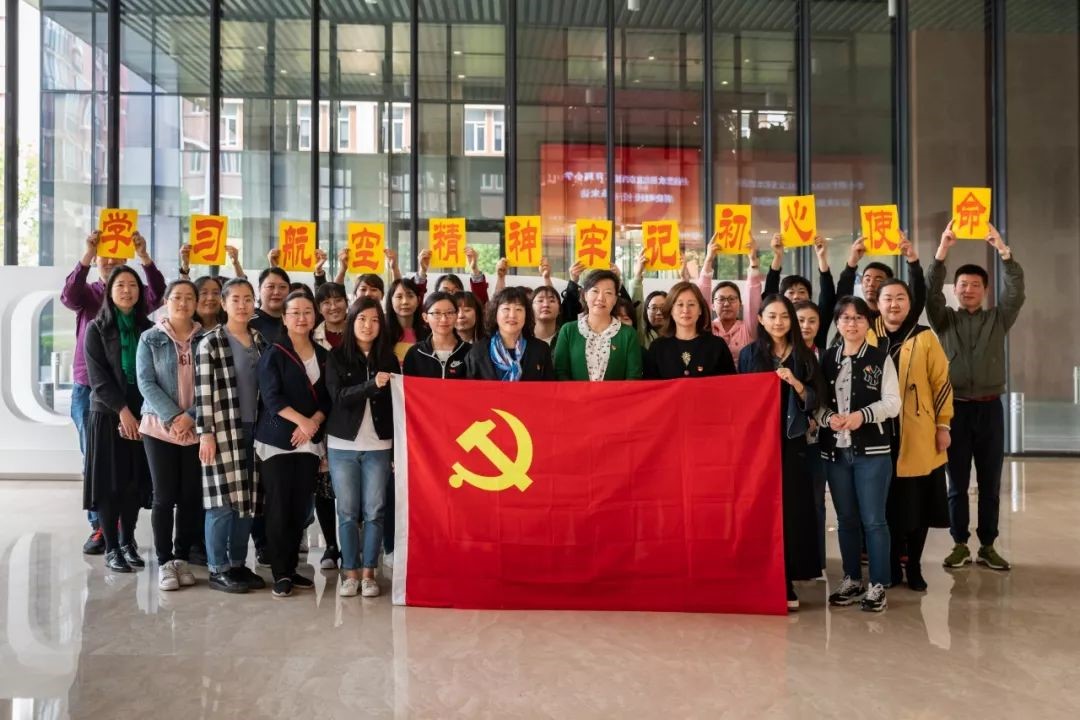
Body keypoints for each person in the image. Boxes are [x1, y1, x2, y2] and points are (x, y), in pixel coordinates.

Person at [927, 221, 1024, 572]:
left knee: (990, 483)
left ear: (985, 290)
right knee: (956, 483)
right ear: (955, 290)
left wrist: (1003, 250)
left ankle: (987, 545)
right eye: (963, 285)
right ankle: (958, 544)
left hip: (990, 410)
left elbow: (1016, 292)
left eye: (975, 285)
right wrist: (942, 251)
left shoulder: (999, 319)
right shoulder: (944, 320)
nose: (968, 290)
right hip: (953, 412)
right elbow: (930, 293)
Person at [62, 229, 165, 555]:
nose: (109, 263)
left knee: (132, 466)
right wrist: (87, 253)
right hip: (90, 388)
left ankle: (124, 533)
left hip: (134, 394)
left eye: (117, 258)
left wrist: (143, 255)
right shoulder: (90, 295)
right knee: (97, 462)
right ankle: (101, 528)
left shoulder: (140, 314)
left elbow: (158, 293)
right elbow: (68, 295)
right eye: (104, 258)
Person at [737, 294, 823, 611]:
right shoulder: (749, 354)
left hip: (793, 443)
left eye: (784, 316)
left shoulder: (804, 355)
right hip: (758, 444)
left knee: (791, 511)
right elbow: (739, 398)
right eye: (771, 316)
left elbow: (816, 398)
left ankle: (786, 579)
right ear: (760, 319)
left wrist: (796, 384)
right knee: (758, 509)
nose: (778, 322)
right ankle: (757, 576)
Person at [816, 296, 901, 613]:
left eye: (858, 318)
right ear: (837, 323)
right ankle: (851, 579)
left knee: (874, 521)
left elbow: (893, 403)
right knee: (846, 520)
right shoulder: (826, 359)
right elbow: (816, 403)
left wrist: (861, 416)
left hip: (873, 453)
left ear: (868, 323)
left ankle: (878, 585)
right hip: (836, 453)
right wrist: (828, 419)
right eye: (845, 318)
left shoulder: (880, 358)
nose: (852, 323)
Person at [878, 279, 954, 591]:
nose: (893, 304)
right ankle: (892, 563)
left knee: (918, 504)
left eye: (900, 298)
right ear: (878, 304)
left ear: (910, 304)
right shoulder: (869, 335)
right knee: (887, 505)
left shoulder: (925, 337)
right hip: (880, 435)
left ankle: (915, 565)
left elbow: (942, 382)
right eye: (887, 298)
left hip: (918, 433)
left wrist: (943, 425)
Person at [255, 291, 331, 598]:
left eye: (307, 312)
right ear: (284, 319)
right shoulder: (273, 353)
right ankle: (281, 572)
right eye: (295, 312)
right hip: (278, 440)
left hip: (309, 442)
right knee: (278, 507)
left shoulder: (324, 355)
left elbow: (328, 398)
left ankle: (292, 567)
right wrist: (303, 422)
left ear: (315, 317)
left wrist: (313, 422)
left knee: (300, 508)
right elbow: (272, 398)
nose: (302, 318)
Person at [196, 277, 268, 594]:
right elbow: (203, 393)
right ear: (223, 304)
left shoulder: (260, 341)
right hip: (222, 430)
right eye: (235, 299)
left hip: (257, 430)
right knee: (221, 503)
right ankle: (217, 568)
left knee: (247, 501)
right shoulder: (210, 343)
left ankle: (238, 564)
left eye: (248, 299)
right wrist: (206, 433)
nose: (242, 305)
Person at [83, 265, 155, 572]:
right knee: (109, 484)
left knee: (133, 482)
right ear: (109, 292)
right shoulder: (96, 328)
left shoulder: (149, 329)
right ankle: (112, 547)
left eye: (133, 285)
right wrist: (123, 412)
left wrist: (141, 413)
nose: (127, 290)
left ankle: (128, 541)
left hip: (143, 413)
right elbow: (98, 379)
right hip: (108, 414)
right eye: (121, 285)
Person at [325, 298, 398, 598]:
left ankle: (369, 573)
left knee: (375, 511)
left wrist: (396, 450)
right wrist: (371, 385)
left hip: (380, 445)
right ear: (351, 321)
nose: (368, 325)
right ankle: (350, 573)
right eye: (362, 319)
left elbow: (398, 405)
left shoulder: (388, 359)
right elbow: (338, 397)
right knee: (346, 511)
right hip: (342, 445)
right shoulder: (337, 356)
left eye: (375, 320)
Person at [135, 280, 204, 590]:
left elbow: (214, 383)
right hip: (159, 428)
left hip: (196, 427)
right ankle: (164, 561)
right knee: (164, 496)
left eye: (189, 298)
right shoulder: (150, 338)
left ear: (196, 303)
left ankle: (181, 558)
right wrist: (175, 416)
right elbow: (145, 382)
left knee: (191, 496)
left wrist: (191, 416)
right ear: (166, 301)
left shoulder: (207, 339)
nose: (183, 303)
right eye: (177, 297)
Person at [311, 282, 350, 569]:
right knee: (323, 485)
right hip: (320, 416)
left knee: (351, 487)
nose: (333, 306)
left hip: (352, 417)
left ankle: (351, 546)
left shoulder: (360, 330)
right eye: (326, 302)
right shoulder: (312, 336)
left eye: (338, 300)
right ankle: (331, 546)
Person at [836, 233, 926, 346]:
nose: (871, 284)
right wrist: (851, 263)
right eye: (867, 279)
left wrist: (913, 260)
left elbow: (917, 294)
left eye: (878, 279)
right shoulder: (856, 315)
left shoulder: (898, 314)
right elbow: (842, 299)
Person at [553, 270, 643, 381]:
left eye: (608, 293)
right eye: (595, 291)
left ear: (615, 299)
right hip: (575, 393)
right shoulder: (568, 330)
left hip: (617, 393)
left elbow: (633, 377)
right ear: (585, 295)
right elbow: (561, 373)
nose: (601, 298)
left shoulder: (628, 334)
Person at [793, 300, 827, 577]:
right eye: (800, 320)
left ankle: (817, 562)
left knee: (816, 501)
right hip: (788, 440)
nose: (805, 326)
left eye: (811, 320)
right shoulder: (784, 356)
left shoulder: (825, 356)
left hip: (818, 441)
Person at [644, 282, 735, 379]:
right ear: (671, 310)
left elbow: (730, 384)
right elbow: (650, 386)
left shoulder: (717, 346)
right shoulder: (657, 348)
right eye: (680, 304)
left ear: (700, 310)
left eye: (691, 304)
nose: (686, 310)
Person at [695, 237, 763, 359]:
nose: (726, 304)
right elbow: (701, 298)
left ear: (740, 304)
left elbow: (753, 298)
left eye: (732, 299)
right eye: (721, 299)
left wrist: (753, 262)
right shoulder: (707, 328)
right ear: (712, 305)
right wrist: (708, 260)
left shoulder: (748, 329)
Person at [466, 287, 555, 381]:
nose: (512, 315)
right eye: (506, 309)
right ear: (495, 314)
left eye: (518, 309)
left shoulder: (541, 350)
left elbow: (550, 387)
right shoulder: (477, 352)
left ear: (526, 315)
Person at [764, 234, 836, 349]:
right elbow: (769, 295)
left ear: (809, 297)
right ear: (781, 297)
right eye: (791, 292)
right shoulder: (777, 323)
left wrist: (822, 258)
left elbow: (828, 297)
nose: (796, 296)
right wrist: (778, 257)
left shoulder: (816, 317)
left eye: (802, 292)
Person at [403, 292, 472, 378]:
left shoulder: (470, 352)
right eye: (436, 313)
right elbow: (407, 385)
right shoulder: (415, 353)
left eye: (449, 313)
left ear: (456, 315)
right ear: (425, 317)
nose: (444, 319)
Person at [413, 246, 490, 304]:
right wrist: (422, 270)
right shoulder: (430, 314)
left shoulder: (465, 315)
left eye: (455, 291)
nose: (450, 295)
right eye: (445, 291)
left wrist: (474, 269)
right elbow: (415, 301)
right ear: (436, 294)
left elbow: (480, 303)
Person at [385, 278, 429, 364]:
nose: (405, 302)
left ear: (418, 300)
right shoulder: (382, 334)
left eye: (410, 296)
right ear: (391, 301)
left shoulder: (428, 335)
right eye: (399, 297)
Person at [249, 267, 291, 343]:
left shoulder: (294, 321)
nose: (276, 292)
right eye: (270, 286)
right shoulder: (248, 322)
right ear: (259, 289)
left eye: (282, 287)